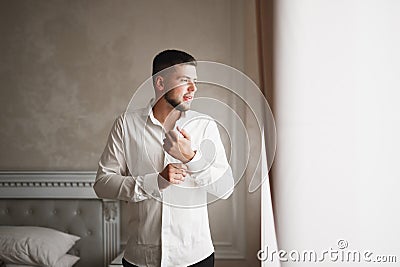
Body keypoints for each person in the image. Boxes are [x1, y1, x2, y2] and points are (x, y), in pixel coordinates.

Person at [94, 49, 234, 267]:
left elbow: (226, 188)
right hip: (141, 259)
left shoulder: (204, 125)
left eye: (195, 81)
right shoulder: (126, 125)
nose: (193, 89)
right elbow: (102, 185)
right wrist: (155, 182)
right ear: (161, 83)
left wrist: (191, 158)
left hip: (195, 258)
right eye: (185, 80)